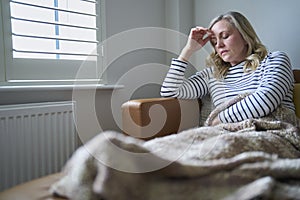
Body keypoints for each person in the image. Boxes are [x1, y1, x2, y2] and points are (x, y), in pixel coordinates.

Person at [160, 11, 296, 126]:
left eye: (225, 36)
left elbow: (267, 99)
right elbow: (170, 91)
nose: (219, 45)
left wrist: (219, 120)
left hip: (269, 131)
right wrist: (188, 50)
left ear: (244, 36)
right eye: (213, 41)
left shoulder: (274, 61)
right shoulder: (212, 75)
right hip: (224, 134)